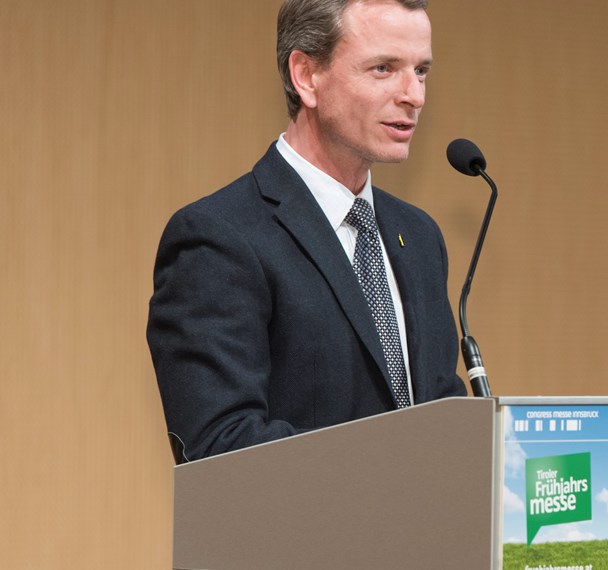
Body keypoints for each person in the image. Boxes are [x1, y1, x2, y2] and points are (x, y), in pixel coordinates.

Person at [147, 0, 467, 463]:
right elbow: (221, 446)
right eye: (383, 68)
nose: (414, 95)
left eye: (421, 71)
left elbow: (440, 412)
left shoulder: (418, 237)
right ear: (306, 76)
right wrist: (392, 471)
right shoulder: (218, 238)